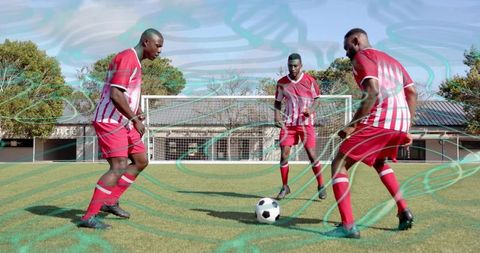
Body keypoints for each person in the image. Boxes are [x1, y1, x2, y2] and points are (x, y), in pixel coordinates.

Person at [326, 28, 417, 238]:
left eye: (347, 48)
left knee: (339, 164)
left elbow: (373, 90)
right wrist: (407, 129)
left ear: (356, 41)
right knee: (379, 162)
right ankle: (404, 211)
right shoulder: (393, 61)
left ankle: (347, 226)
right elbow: (412, 92)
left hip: (380, 121)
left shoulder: (361, 57)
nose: (347, 53)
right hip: (399, 123)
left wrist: (353, 125)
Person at [78, 28, 164, 229]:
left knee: (141, 161)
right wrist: (135, 118)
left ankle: (110, 201)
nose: (160, 50)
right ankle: (88, 217)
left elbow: (126, 94)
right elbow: (116, 94)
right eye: (158, 46)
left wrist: (137, 110)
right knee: (118, 166)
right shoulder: (127, 58)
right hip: (110, 120)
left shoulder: (136, 62)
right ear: (146, 42)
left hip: (123, 121)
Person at [273, 53, 326, 200]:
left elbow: (317, 99)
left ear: (301, 65)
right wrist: (277, 116)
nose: (293, 68)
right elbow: (277, 101)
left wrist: (311, 110)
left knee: (312, 155)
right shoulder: (282, 82)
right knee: (283, 155)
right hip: (288, 124)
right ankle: (285, 186)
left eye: (295, 65)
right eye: (290, 65)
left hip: (305, 124)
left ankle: (321, 185)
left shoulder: (310, 81)